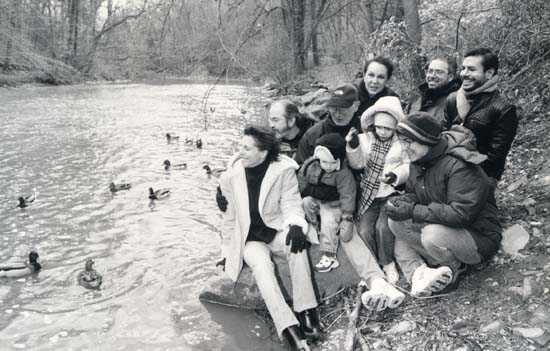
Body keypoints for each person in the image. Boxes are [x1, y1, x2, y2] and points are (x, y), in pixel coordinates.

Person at [217, 125, 319, 350]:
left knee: (297, 247)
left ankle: (306, 310)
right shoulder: (230, 177)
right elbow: (229, 219)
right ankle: (288, 327)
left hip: (275, 230)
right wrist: (227, 251)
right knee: (262, 269)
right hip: (249, 239)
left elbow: (291, 203)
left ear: (262, 152)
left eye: (246, 148)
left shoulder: (283, 171)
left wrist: (294, 225)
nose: (239, 151)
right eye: (240, 146)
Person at [384, 112, 502, 297]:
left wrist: (413, 210)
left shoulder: (459, 165)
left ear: (425, 140)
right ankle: (421, 273)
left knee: (432, 235)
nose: (404, 148)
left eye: (409, 141)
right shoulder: (419, 161)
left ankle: (457, 268)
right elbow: (416, 193)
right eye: (402, 141)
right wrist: (403, 202)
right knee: (394, 222)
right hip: (445, 225)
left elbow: (460, 214)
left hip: (479, 236)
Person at [346, 96, 410, 284]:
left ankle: (388, 263)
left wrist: (395, 176)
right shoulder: (364, 140)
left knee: (383, 227)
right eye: (379, 127)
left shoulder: (401, 143)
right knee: (365, 230)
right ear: (373, 125)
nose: (383, 132)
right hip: (370, 194)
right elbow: (357, 164)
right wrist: (353, 146)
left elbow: (408, 165)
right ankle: (373, 267)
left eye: (388, 128)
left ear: (396, 127)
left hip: (391, 192)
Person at [443, 48, 519, 188]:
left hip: (479, 176)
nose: (464, 74)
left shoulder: (503, 109)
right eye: (463, 68)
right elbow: (443, 136)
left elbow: (495, 158)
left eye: (471, 69)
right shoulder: (452, 99)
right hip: (446, 169)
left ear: (489, 73)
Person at [297, 133, 356, 273]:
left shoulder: (344, 174)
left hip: (334, 204)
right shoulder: (313, 165)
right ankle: (315, 228)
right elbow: (301, 178)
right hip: (318, 200)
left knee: (329, 222)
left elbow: (348, 195)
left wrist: (347, 216)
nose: (328, 166)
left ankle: (329, 255)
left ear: (340, 160)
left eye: (332, 162)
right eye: (324, 162)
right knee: (306, 202)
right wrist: (309, 190)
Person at [294, 83, 361, 164]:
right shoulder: (312, 135)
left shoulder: (365, 132)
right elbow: (301, 168)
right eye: (333, 108)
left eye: (343, 107)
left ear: (356, 106)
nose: (337, 114)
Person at [407, 55, 461, 122]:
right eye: (430, 71)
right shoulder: (418, 98)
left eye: (438, 72)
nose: (432, 76)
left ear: (450, 77)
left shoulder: (455, 101)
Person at [353, 56, 399, 120]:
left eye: (381, 77)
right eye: (371, 75)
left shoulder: (390, 98)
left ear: (387, 80)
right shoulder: (351, 92)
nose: (375, 81)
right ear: (364, 75)